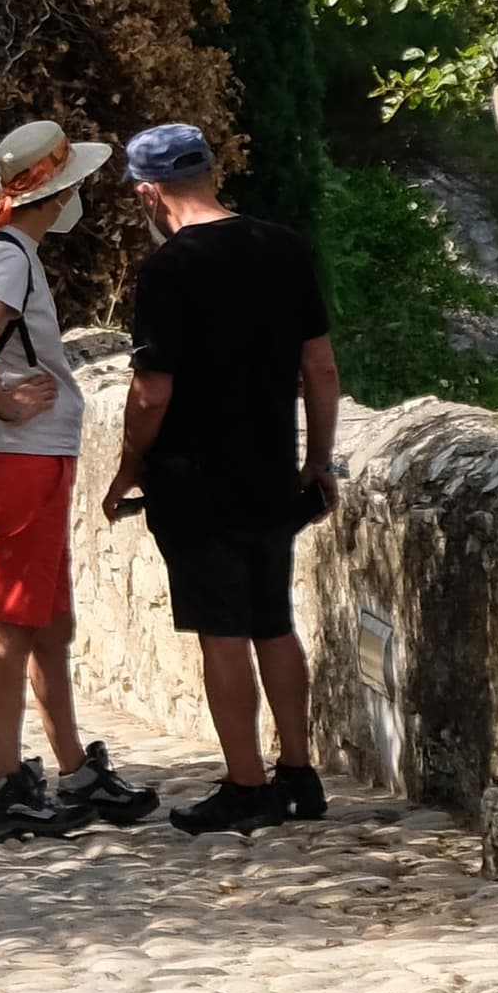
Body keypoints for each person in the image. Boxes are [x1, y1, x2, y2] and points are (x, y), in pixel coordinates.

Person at [102, 118, 341, 833]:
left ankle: (246, 786)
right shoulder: (283, 246)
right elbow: (320, 368)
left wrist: (127, 468)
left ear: (149, 194)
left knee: (222, 631)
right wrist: (317, 461)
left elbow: (153, 391)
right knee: (273, 619)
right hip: (272, 469)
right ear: (209, 172)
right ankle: (298, 774)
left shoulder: (168, 270)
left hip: (195, 475)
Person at [0, 118, 157, 844]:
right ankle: (6, 784)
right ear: (57, 190)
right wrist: (8, 404)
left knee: (45, 622)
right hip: (21, 458)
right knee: (12, 625)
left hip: (32, 458)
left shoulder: (6, 251)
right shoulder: (9, 260)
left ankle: (71, 766)